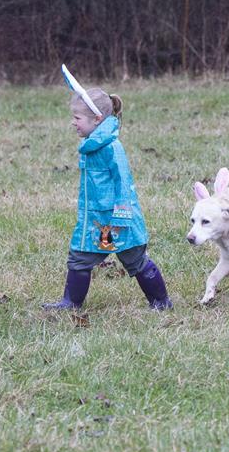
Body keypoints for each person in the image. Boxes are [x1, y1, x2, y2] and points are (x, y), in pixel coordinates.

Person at [43, 69, 172, 310]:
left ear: (97, 119)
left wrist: (121, 217)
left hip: (117, 221)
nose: (73, 122)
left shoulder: (112, 148)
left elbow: (123, 183)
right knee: (79, 258)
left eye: (77, 118)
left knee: (135, 261)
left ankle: (161, 302)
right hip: (95, 220)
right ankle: (71, 302)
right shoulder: (91, 146)